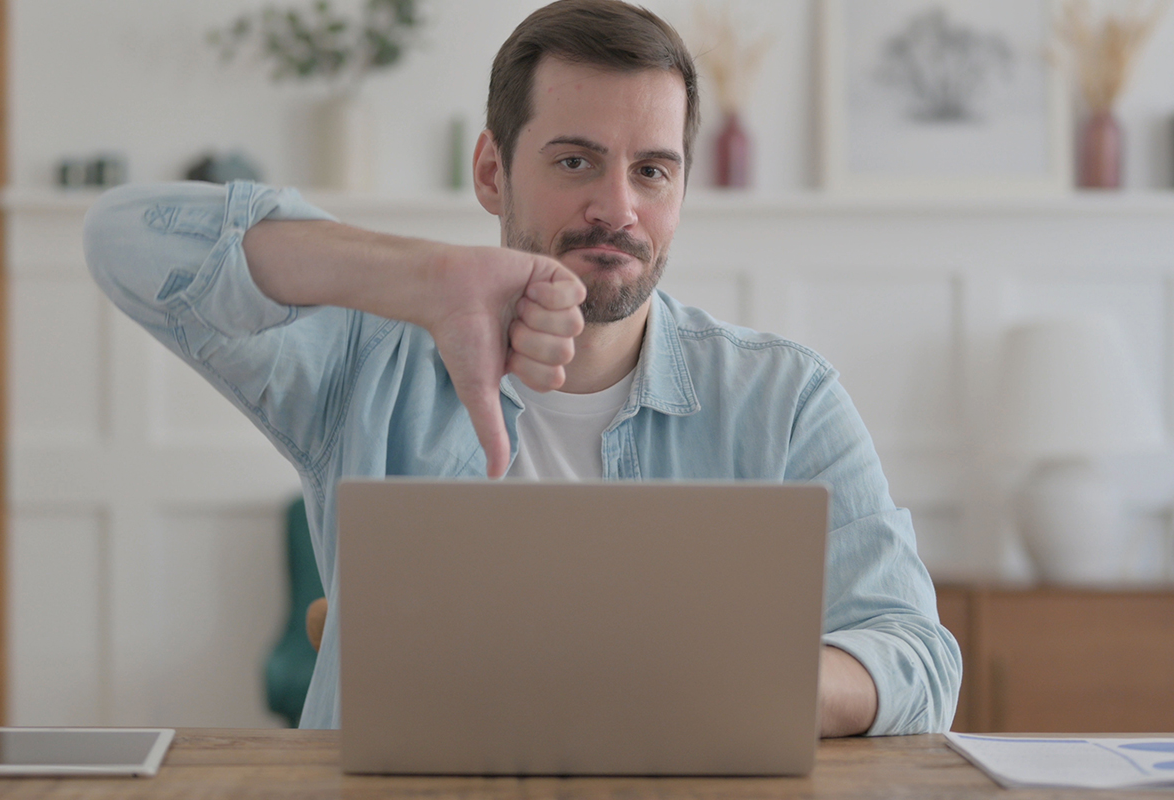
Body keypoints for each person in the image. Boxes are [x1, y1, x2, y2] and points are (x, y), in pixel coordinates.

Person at [84, 0, 960, 736]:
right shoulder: (367, 358)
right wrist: (421, 275)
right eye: (575, 161)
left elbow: (918, 658)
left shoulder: (785, 398)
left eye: (652, 171)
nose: (618, 208)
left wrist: (731, 690)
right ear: (492, 172)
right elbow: (122, 239)